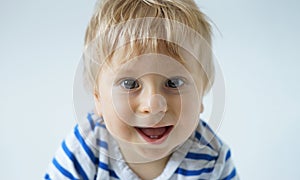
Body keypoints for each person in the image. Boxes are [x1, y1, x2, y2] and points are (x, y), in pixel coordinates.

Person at [45, 0, 239, 179]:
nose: (153, 106)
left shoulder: (211, 158)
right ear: (98, 98)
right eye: (129, 84)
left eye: (174, 83)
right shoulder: (84, 150)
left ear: (201, 93)